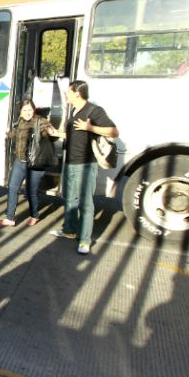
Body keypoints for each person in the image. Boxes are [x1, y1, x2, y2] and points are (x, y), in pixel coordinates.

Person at [46, 80, 118, 255]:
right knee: (70, 199)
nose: (66, 95)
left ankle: (85, 240)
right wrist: (58, 134)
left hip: (86, 165)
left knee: (85, 204)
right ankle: (70, 230)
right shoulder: (74, 111)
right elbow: (74, 136)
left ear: (77, 93)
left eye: (69, 92)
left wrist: (90, 127)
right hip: (70, 163)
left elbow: (114, 131)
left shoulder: (94, 110)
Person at [0, 99, 52, 227]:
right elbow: (17, 135)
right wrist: (9, 133)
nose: (28, 112)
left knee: (30, 191)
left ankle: (35, 215)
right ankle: (10, 218)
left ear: (34, 110)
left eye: (30, 110)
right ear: (20, 112)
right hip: (20, 161)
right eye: (25, 110)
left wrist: (51, 133)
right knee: (12, 188)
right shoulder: (21, 122)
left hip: (35, 163)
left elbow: (51, 135)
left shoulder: (41, 122)